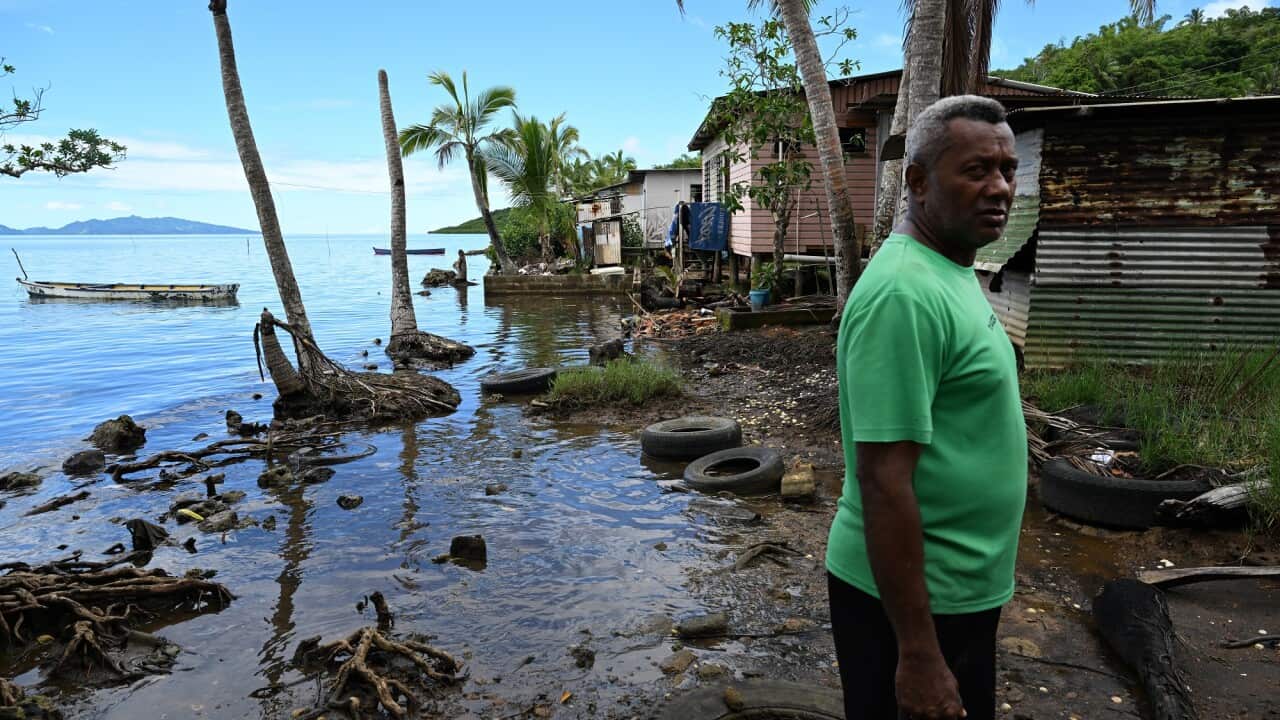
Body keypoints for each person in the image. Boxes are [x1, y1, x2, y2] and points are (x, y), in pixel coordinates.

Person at [826, 95, 1026, 720]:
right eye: (976, 170)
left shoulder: (952, 268)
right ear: (917, 181)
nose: (1000, 188)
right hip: (913, 605)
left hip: (957, 589)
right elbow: (883, 479)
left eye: (1009, 170)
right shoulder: (904, 295)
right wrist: (916, 653)